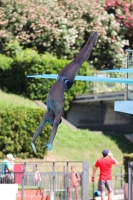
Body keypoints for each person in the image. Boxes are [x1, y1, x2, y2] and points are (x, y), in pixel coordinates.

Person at [31, 31, 98, 152]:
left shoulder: (48, 111)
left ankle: (89, 40)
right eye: (50, 122)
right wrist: (50, 142)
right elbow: (55, 128)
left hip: (59, 77)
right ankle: (92, 43)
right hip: (67, 81)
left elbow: (40, 127)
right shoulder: (58, 110)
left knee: (76, 60)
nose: (48, 122)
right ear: (56, 119)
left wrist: (33, 141)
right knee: (79, 62)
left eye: (49, 122)